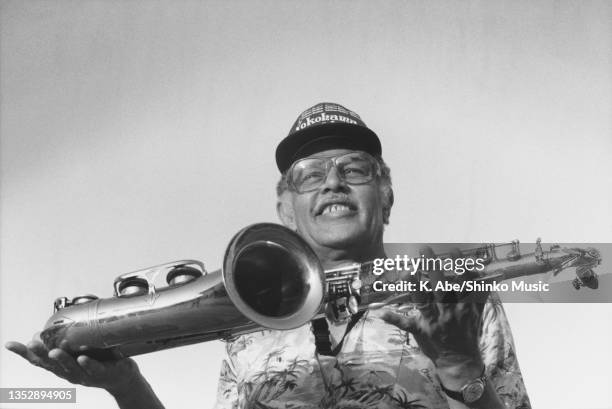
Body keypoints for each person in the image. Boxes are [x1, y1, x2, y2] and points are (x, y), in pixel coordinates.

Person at [6, 102, 531, 409]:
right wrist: (126, 387)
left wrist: (460, 365)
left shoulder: (458, 299)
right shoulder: (248, 314)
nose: (333, 183)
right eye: (309, 175)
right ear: (285, 208)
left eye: (356, 169)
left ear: (387, 196)